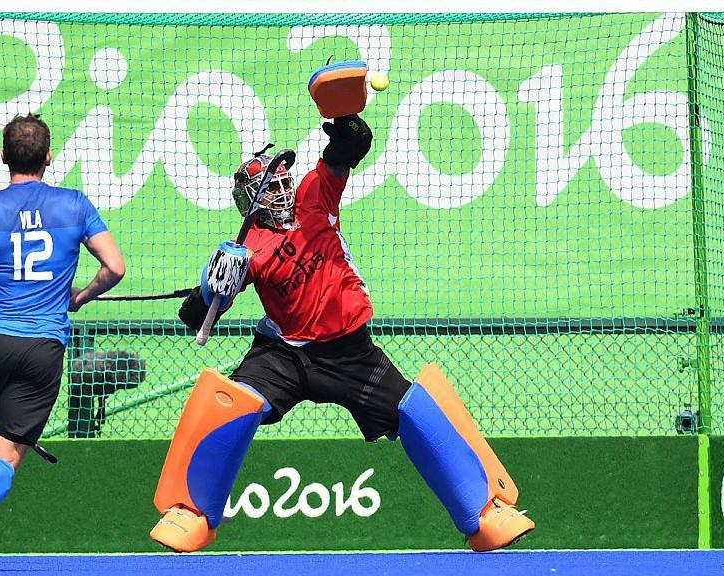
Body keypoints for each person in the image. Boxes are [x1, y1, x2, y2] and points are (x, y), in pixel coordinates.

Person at [151, 114, 534, 553]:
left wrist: (345, 123)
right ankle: (190, 513)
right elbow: (195, 319)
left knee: (415, 410)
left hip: (350, 353)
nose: (281, 191)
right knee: (229, 403)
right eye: (269, 187)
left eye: (281, 182)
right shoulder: (248, 250)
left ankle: (486, 513)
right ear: (249, 202)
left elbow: (354, 144)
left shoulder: (316, 197)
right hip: (283, 355)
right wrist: (209, 290)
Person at [0, 114, 125, 572]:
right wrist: (81, 296)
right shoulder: (74, 205)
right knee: (9, 452)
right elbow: (115, 267)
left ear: (3, 156)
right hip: (41, 345)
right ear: (49, 158)